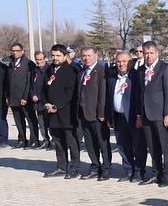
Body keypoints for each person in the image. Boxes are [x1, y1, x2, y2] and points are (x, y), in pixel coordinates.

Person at [133, 40, 168, 186]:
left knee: (164, 146)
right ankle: (156, 172)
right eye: (146, 53)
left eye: (151, 53)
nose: (148, 56)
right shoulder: (141, 70)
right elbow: (139, 94)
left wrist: (167, 113)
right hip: (145, 113)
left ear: (157, 53)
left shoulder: (164, 68)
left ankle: (167, 174)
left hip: (160, 113)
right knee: (152, 146)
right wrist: (139, 114)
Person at [42, 44, 81, 178]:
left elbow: (69, 93)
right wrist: (46, 103)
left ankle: (75, 167)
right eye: (53, 55)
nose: (55, 58)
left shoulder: (70, 70)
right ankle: (61, 167)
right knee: (58, 141)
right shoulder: (49, 70)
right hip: (52, 113)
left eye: (58, 55)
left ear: (65, 56)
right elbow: (43, 89)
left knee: (71, 141)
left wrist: (56, 106)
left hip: (66, 113)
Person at [107, 50, 145, 181]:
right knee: (123, 145)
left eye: (124, 61)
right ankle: (128, 169)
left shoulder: (136, 76)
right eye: (118, 61)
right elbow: (109, 98)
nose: (121, 64)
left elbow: (140, 98)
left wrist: (139, 116)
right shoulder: (113, 77)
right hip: (118, 117)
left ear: (130, 62)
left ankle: (139, 171)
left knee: (138, 145)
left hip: (134, 117)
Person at [76, 47, 111, 180]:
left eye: (89, 55)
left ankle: (106, 168)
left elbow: (103, 94)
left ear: (96, 55)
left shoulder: (101, 71)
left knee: (102, 143)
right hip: (84, 114)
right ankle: (95, 167)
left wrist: (102, 113)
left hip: (98, 115)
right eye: (84, 56)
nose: (86, 58)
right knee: (90, 144)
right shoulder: (81, 73)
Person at [5, 43, 39, 148]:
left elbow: (30, 82)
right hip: (13, 98)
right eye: (13, 51)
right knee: (18, 120)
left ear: (22, 51)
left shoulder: (29, 64)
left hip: (25, 98)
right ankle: (22, 139)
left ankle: (34, 140)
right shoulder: (10, 63)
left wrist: (25, 97)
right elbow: (7, 81)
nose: (15, 53)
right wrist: (7, 96)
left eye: (17, 51)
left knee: (31, 119)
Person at [31, 51, 52, 149]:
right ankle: (45, 140)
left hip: (47, 101)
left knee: (50, 123)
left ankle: (54, 141)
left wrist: (39, 97)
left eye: (40, 59)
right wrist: (33, 95)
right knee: (41, 123)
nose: (38, 61)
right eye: (37, 59)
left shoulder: (49, 70)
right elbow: (31, 85)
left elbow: (48, 87)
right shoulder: (35, 70)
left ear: (45, 59)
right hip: (37, 103)